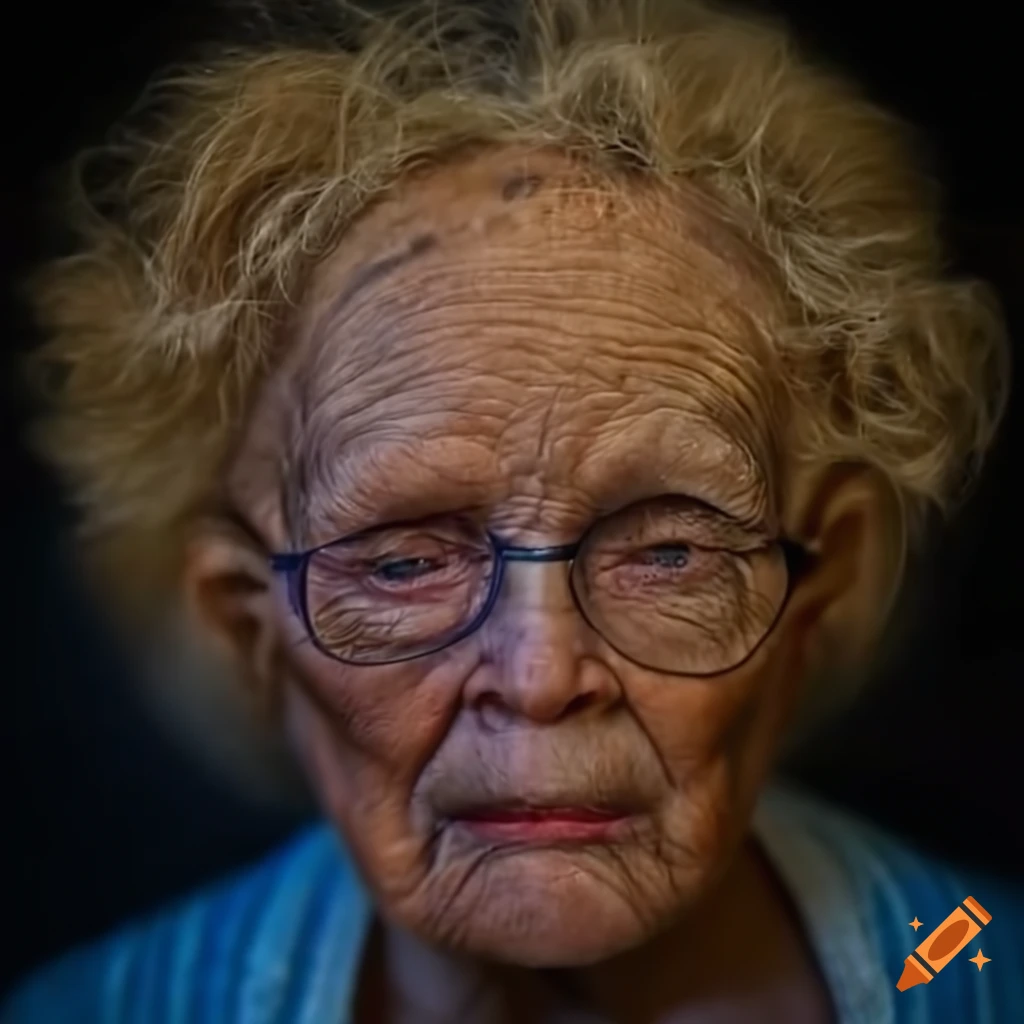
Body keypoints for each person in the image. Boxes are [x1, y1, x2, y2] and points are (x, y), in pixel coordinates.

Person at [3, 1, 1022, 1021]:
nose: (539, 677)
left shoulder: (975, 966)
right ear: (247, 623)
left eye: (668, 550)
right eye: (402, 563)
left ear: (820, 579)